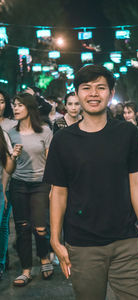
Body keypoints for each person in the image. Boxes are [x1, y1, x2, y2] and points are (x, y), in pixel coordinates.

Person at [44, 64, 138, 300]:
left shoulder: (127, 133)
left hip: (126, 241)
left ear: (111, 93)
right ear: (77, 93)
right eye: (87, 88)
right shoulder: (62, 141)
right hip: (82, 246)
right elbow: (58, 193)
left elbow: (136, 184)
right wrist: (55, 239)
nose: (94, 94)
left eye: (101, 88)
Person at [8, 93, 53, 286]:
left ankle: (44, 257)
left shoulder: (44, 131)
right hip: (18, 185)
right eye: (14, 105)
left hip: (41, 184)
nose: (15, 109)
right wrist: (13, 156)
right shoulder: (11, 134)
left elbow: (51, 163)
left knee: (40, 227)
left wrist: (53, 188)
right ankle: (26, 270)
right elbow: (9, 169)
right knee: (23, 228)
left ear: (29, 108)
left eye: (19, 105)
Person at [0, 126, 22, 279]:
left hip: (1, 188)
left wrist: (13, 157)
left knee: (2, 227)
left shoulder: (2, 134)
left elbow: (8, 167)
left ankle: (1, 265)